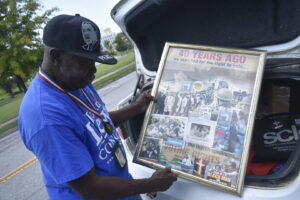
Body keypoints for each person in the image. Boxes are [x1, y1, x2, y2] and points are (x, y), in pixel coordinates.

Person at [18, 14, 177, 200]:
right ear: (57, 57)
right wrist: (148, 184)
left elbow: (97, 123)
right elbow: (90, 188)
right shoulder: (45, 118)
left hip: (121, 189)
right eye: (85, 64)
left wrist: (137, 107)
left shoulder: (74, 80)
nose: (93, 71)